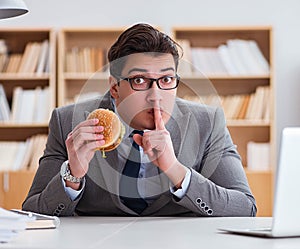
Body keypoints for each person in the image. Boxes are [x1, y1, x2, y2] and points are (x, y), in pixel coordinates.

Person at [22, 23, 256, 217]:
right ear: (114, 87)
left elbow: (245, 208)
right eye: (140, 81)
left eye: (166, 79)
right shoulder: (67, 121)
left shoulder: (208, 121)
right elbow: (33, 211)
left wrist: (175, 170)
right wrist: (72, 174)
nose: (155, 96)